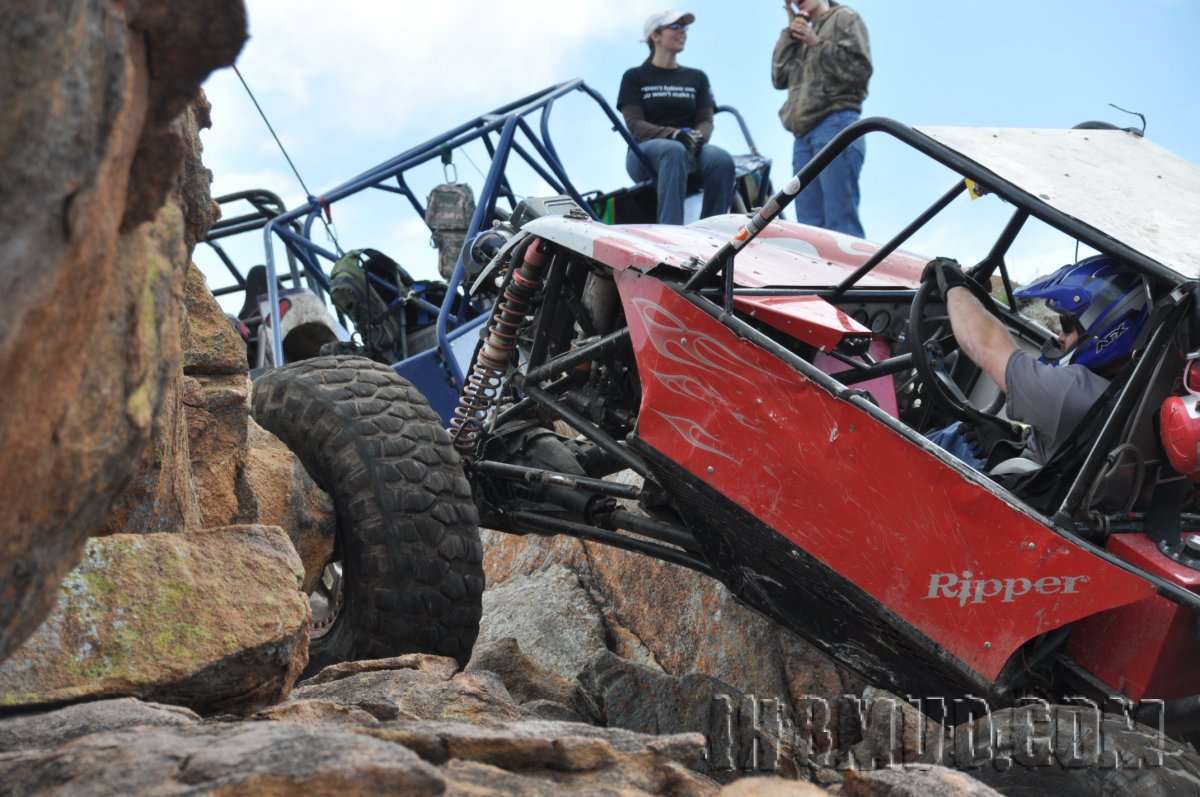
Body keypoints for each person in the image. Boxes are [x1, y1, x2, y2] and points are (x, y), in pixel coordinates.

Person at [922, 255, 1151, 471]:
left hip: (1002, 496)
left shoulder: (1073, 392)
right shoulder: (1131, 394)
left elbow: (984, 344)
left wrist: (953, 284)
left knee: (954, 438)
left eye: (1067, 324)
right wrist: (1015, 441)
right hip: (1036, 484)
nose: (1060, 336)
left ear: (1107, 328)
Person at [617, 10, 735, 225]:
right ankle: (670, 232)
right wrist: (672, 134)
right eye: (675, 26)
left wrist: (699, 137)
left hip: (689, 150)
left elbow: (706, 120)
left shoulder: (697, 77)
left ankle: (713, 233)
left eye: (684, 26)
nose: (683, 31)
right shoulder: (634, 77)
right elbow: (635, 125)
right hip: (645, 153)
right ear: (655, 36)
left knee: (721, 160)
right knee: (673, 150)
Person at [771, 0, 872, 237]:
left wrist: (816, 43)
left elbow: (860, 71)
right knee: (809, 230)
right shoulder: (797, 32)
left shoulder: (844, 17)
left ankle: (853, 274)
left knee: (841, 224)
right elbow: (778, 77)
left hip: (836, 124)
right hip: (802, 137)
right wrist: (790, 32)